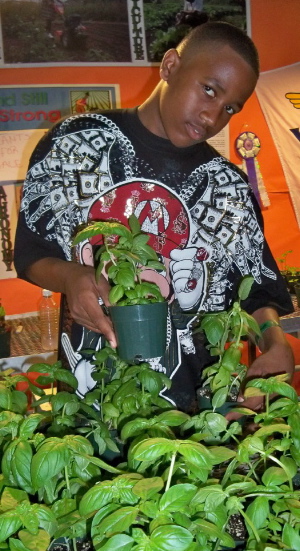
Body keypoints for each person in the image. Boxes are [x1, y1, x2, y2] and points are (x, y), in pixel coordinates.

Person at [14, 21, 295, 414]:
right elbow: (31, 253)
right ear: (170, 66)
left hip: (194, 412)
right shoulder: (75, 144)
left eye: (230, 107)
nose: (213, 115)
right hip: (91, 399)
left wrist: (274, 339)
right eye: (209, 89)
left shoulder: (228, 188)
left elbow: (259, 291)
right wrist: (72, 277)